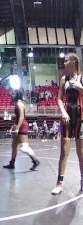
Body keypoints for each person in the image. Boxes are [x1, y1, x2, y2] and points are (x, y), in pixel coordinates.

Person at [51, 53, 83, 195]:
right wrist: (63, 112)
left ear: (74, 62)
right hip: (67, 118)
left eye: (66, 60)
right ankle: (59, 183)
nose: (64, 63)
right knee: (64, 151)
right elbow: (58, 99)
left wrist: (80, 88)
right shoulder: (64, 78)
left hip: (81, 118)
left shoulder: (82, 78)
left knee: (81, 153)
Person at [3, 90, 40, 171]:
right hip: (19, 125)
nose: (11, 95)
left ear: (17, 95)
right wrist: (15, 126)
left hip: (22, 126)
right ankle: (12, 163)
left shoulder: (19, 104)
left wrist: (17, 128)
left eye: (13, 94)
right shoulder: (18, 103)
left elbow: (21, 117)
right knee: (14, 146)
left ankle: (35, 161)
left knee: (24, 147)